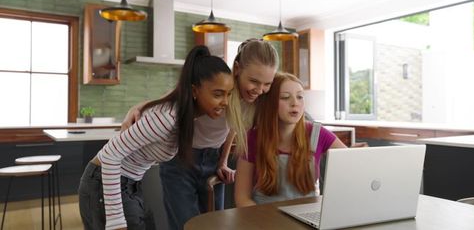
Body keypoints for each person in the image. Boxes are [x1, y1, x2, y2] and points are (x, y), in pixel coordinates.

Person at [121, 38, 279, 230]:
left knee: (214, 225)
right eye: (254, 81)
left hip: (212, 160)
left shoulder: (252, 101)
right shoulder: (216, 83)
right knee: (186, 225)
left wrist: (222, 162)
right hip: (180, 160)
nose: (260, 90)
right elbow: (170, 99)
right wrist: (136, 108)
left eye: (267, 84)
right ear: (237, 69)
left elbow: (232, 129)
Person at [78, 45, 234, 230]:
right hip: (104, 182)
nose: (225, 102)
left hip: (130, 183)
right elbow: (110, 155)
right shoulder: (167, 118)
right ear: (194, 91)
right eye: (218, 94)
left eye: (229, 94)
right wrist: (116, 220)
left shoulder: (187, 118)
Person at [235, 72, 363, 207]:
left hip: (307, 216)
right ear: (269, 103)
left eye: (300, 97)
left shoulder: (318, 134)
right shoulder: (252, 138)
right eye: (285, 97)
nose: (295, 103)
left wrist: (355, 158)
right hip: (264, 219)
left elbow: (352, 167)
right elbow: (242, 199)